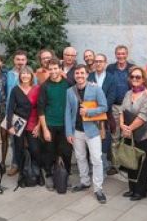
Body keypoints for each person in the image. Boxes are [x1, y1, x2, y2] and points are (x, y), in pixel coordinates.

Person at [67, 65, 109, 202]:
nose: (79, 75)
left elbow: (104, 107)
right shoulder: (70, 91)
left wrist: (89, 112)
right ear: (74, 75)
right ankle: (85, 182)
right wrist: (69, 132)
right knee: (80, 157)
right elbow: (67, 113)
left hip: (92, 130)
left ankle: (98, 188)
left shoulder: (96, 88)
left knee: (96, 159)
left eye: (82, 73)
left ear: (87, 74)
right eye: (77, 73)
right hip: (76, 131)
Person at [118, 66, 147, 200]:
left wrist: (129, 129)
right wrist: (122, 125)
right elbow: (121, 110)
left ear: (143, 79)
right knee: (130, 161)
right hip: (128, 133)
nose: (134, 79)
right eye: (132, 77)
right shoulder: (128, 93)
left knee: (141, 164)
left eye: (138, 77)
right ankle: (132, 188)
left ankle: (140, 191)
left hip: (142, 135)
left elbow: (143, 116)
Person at [37, 58, 72, 189]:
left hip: (65, 124)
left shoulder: (68, 84)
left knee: (66, 151)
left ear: (60, 69)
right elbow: (40, 108)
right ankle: (49, 175)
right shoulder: (45, 86)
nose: (53, 71)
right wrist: (44, 129)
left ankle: (66, 174)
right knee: (49, 151)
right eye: (50, 69)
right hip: (50, 123)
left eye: (55, 68)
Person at [7, 66, 42, 185]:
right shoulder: (15, 90)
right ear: (20, 76)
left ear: (32, 76)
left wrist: (39, 125)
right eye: (23, 74)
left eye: (28, 73)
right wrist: (10, 126)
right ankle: (22, 174)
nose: (25, 76)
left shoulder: (37, 89)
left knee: (35, 149)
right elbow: (10, 108)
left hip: (33, 121)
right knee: (19, 149)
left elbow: (41, 108)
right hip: (18, 122)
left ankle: (37, 173)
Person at [88, 53, 118, 173]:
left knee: (105, 139)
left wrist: (101, 109)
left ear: (105, 63)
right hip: (90, 114)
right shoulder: (89, 77)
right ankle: (93, 166)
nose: (98, 63)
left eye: (101, 61)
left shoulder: (111, 78)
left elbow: (112, 96)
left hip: (106, 115)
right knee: (91, 139)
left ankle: (104, 166)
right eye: (96, 61)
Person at [107, 45, 134, 162]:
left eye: (123, 53)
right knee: (115, 135)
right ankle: (116, 164)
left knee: (129, 134)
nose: (121, 56)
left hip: (130, 107)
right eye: (118, 54)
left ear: (127, 54)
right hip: (115, 106)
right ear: (115, 55)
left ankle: (128, 162)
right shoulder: (110, 68)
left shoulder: (132, 68)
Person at [5, 50, 30, 176]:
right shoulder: (8, 74)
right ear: (14, 60)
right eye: (18, 59)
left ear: (26, 61)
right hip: (12, 113)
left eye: (22, 60)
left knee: (27, 141)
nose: (20, 62)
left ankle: (28, 165)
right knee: (14, 141)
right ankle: (15, 164)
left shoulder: (30, 75)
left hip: (26, 114)